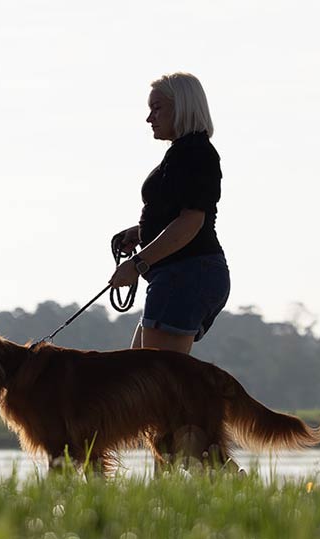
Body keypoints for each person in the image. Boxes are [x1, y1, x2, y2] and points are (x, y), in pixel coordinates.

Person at [108, 72, 230, 355]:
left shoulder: (196, 154)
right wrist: (140, 232)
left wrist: (137, 264)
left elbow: (191, 222)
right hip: (180, 275)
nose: (150, 118)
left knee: (154, 385)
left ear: (183, 107)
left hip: (186, 274)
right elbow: (175, 215)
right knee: (138, 376)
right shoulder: (182, 153)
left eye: (157, 108)